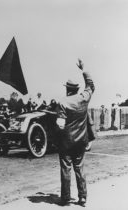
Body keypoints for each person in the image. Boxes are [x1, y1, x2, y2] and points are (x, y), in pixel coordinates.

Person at [55, 59, 95, 207]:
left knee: (66, 169)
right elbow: (91, 85)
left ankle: (65, 199)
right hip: (81, 141)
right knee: (80, 168)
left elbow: (60, 125)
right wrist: (84, 69)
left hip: (66, 143)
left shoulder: (63, 102)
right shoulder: (84, 98)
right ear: (77, 89)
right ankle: (83, 197)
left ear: (67, 89)